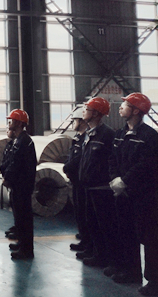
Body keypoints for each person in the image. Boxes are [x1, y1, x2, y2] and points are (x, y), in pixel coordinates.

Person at [108, 93, 158, 296]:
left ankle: (154, 281)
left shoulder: (149, 136)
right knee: (126, 232)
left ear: (136, 110)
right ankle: (131, 271)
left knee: (150, 239)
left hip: (143, 196)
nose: (120, 107)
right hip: (122, 193)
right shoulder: (120, 134)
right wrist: (114, 179)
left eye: (125, 104)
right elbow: (112, 159)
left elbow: (146, 165)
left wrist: (125, 181)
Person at [77, 97, 116, 269]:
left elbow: (112, 160)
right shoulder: (89, 133)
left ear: (96, 114)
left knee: (104, 225)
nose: (83, 112)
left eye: (87, 109)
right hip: (88, 186)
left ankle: (106, 258)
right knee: (91, 223)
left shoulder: (107, 134)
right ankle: (96, 253)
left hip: (101, 188)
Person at [0, 109, 36, 260]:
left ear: (20, 123)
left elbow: (16, 164)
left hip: (22, 186)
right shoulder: (19, 140)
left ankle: (26, 250)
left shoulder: (23, 142)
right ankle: (22, 244)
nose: (9, 123)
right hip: (18, 186)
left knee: (24, 218)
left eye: (12, 120)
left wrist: (8, 178)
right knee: (19, 218)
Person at [62, 106, 90, 255]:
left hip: (82, 181)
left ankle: (88, 243)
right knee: (78, 212)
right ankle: (84, 239)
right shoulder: (77, 138)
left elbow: (79, 159)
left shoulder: (87, 138)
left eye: (75, 120)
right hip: (75, 181)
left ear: (82, 121)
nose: (73, 123)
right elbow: (71, 157)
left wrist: (67, 167)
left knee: (85, 213)